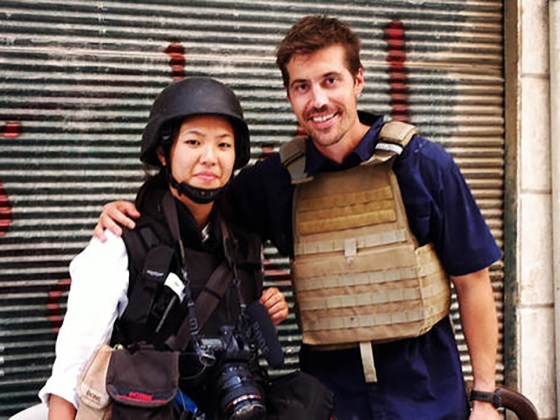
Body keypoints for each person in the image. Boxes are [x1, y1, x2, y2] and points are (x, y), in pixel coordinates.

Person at [95, 16, 502, 419]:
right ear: (290, 96)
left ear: (358, 80)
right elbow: (196, 203)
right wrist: (127, 212)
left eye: (330, 80)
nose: (318, 101)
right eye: (301, 87)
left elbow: (472, 282)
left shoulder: (423, 165)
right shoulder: (276, 181)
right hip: (331, 402)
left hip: (426, 397)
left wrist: (485, 398)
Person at [38, 77, 289, 420]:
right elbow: (71, 373)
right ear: (163, 152)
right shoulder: (122, 241)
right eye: (193, 142)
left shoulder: (241, 244)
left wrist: (262, 312)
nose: (210, 158)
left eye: (223, 145)